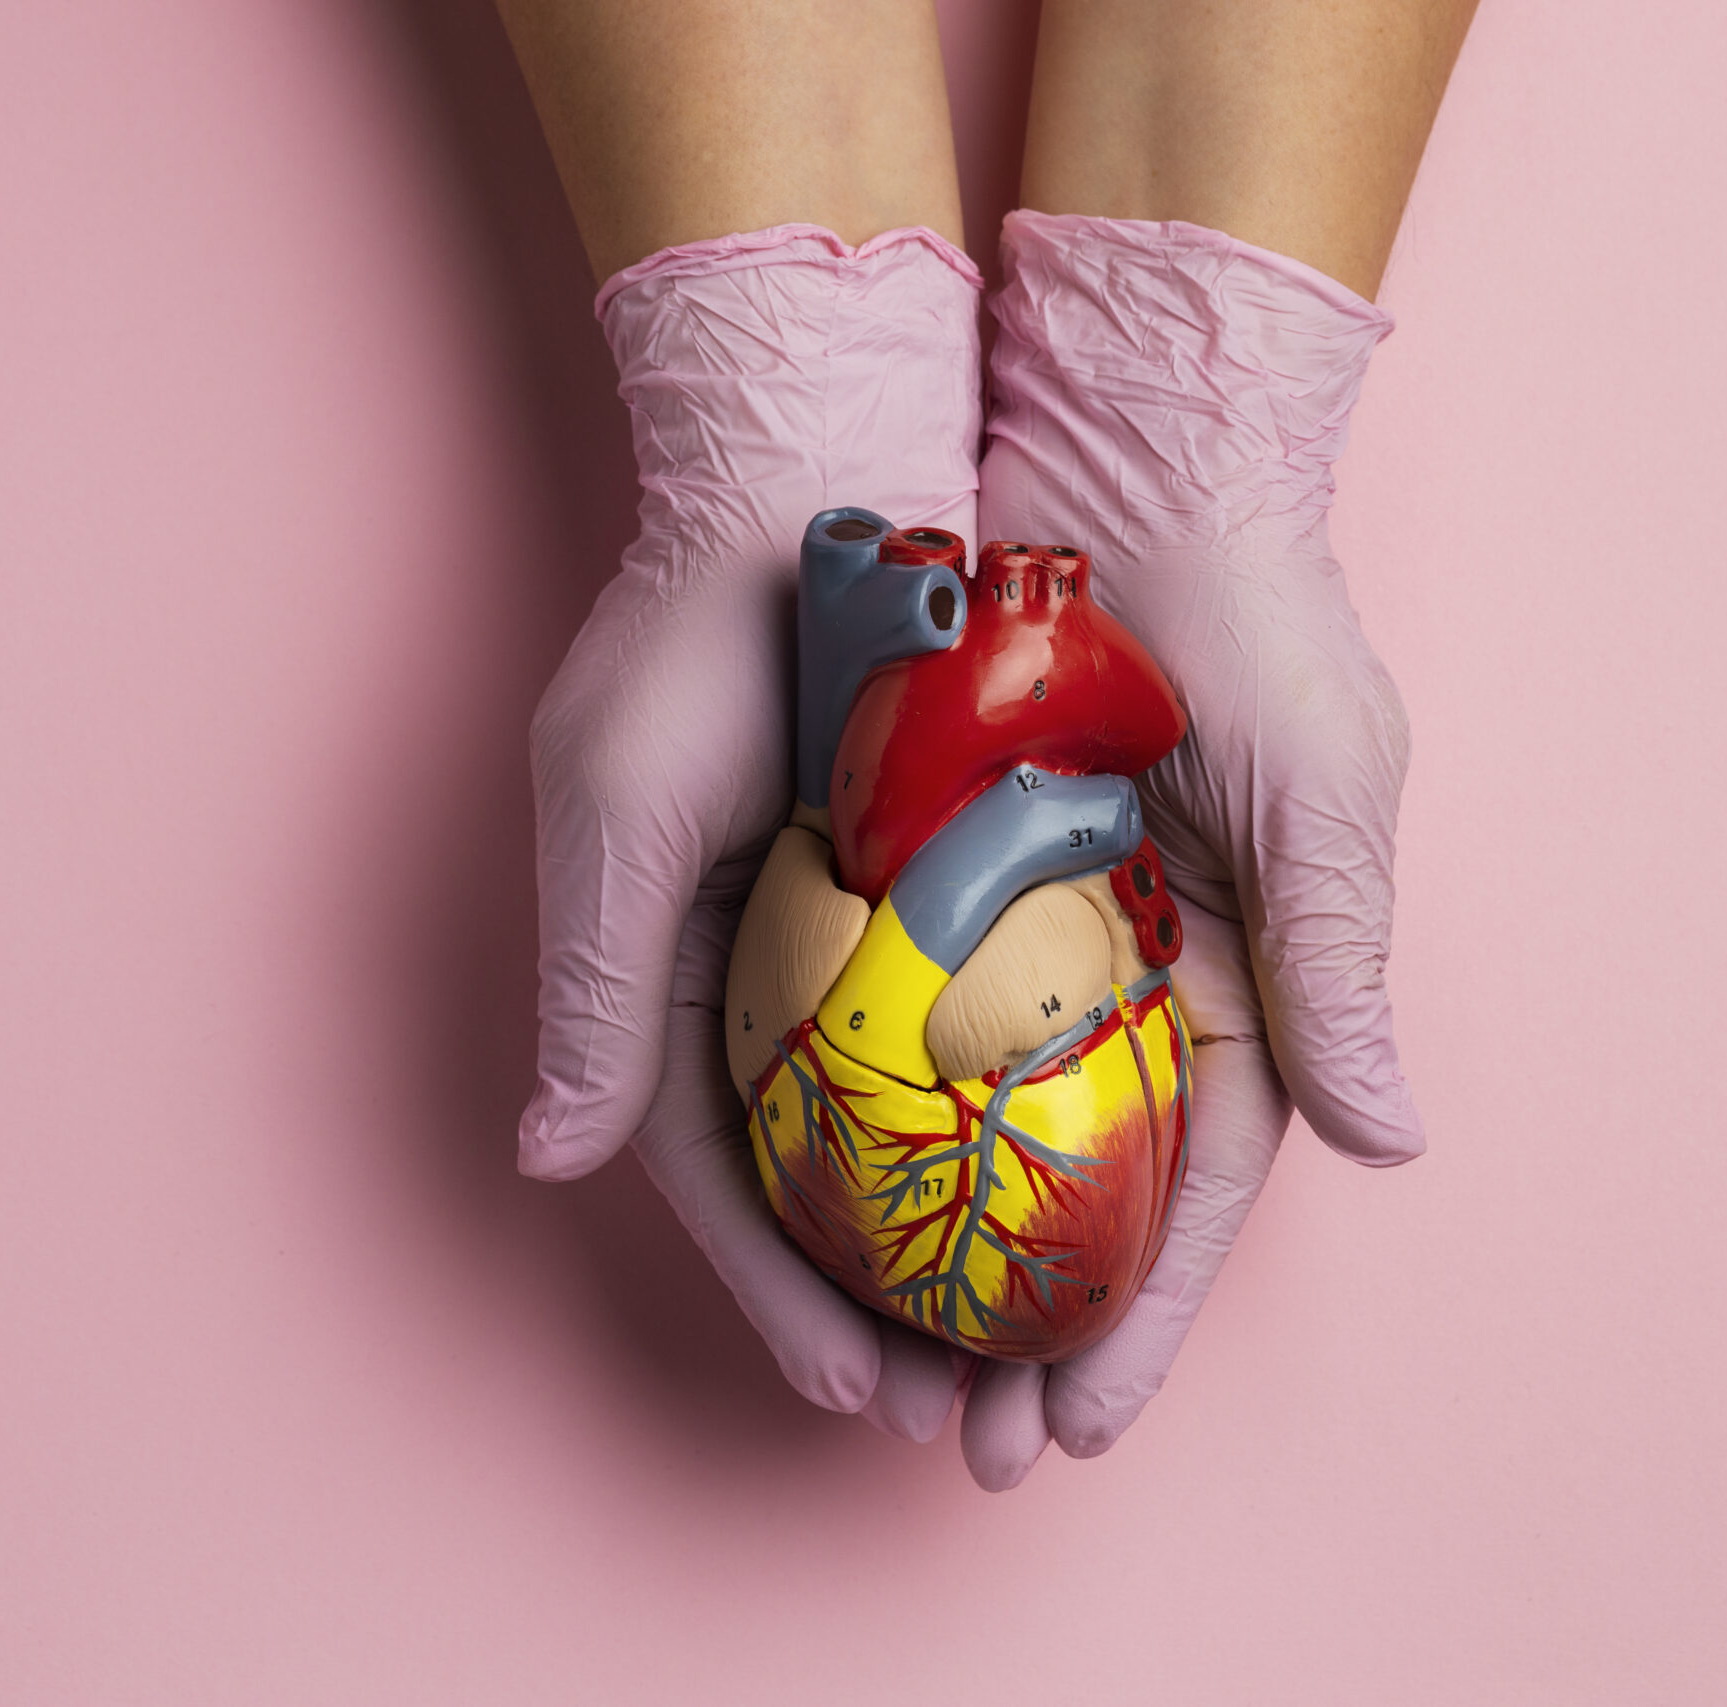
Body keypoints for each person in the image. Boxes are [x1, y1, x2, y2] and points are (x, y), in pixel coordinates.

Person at [493, 0, 1477, 1491]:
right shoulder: (910, 1091)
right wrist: (1190, 419)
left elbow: (932, 938)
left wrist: (788, 389)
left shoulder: (889, 1086)